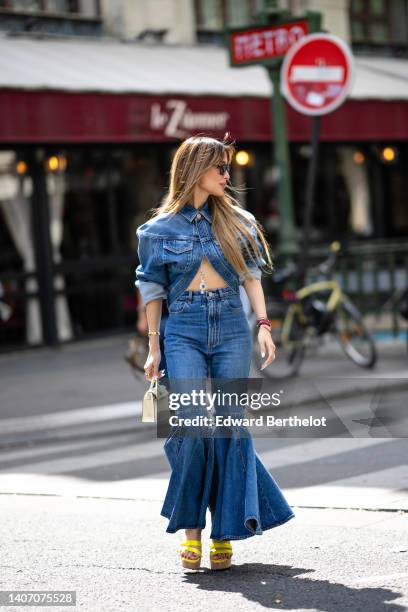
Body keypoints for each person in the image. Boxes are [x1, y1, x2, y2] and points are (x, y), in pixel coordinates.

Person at [135, 134, 295, 571]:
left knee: (230, 427)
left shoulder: (238, 221)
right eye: (219, 167)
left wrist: (263, 324)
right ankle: (191, 530)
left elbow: (251, 275)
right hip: (182, 330)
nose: (228, 174)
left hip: (230, 329)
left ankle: (225, 532)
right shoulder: (156, 231)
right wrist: (153, 345)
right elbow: (151, 289)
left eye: (228, 167)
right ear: (193, 171)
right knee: (193, 425)